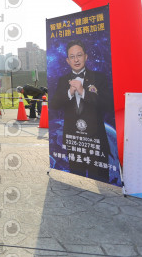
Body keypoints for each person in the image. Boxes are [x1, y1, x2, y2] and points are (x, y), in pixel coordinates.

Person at [49, 39, 113, 182]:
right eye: (72, 57)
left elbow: (107, 105)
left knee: (100, 179)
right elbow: (54, 105)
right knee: (76, 179)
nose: (76, 60)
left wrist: (83, 92)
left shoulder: (99, 78)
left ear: (86, 56)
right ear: (67, 60)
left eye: (79, 55)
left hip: (95, 139)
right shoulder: (63, 80)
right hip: (74, 140)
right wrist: (69, 93)